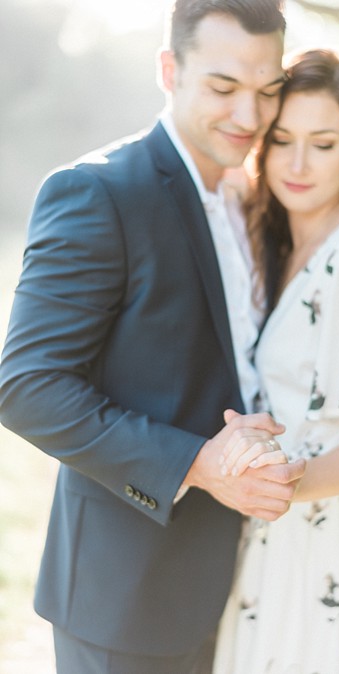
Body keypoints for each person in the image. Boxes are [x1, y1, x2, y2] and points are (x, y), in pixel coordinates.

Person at [0, 1, 308, 671]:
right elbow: (26, 388)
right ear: (169, 69)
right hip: (127, 597)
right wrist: (200, 465)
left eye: (267, 91)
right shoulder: (97, 192)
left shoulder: (248, 200)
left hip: (242, 586)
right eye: (223, 89)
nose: (249, 118)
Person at [211, 49, 339, 674]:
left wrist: (275, 487)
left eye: (322, 144)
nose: (297, 165)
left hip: (324, 536)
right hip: (264, 532)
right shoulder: (272, 236)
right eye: (282, 140)